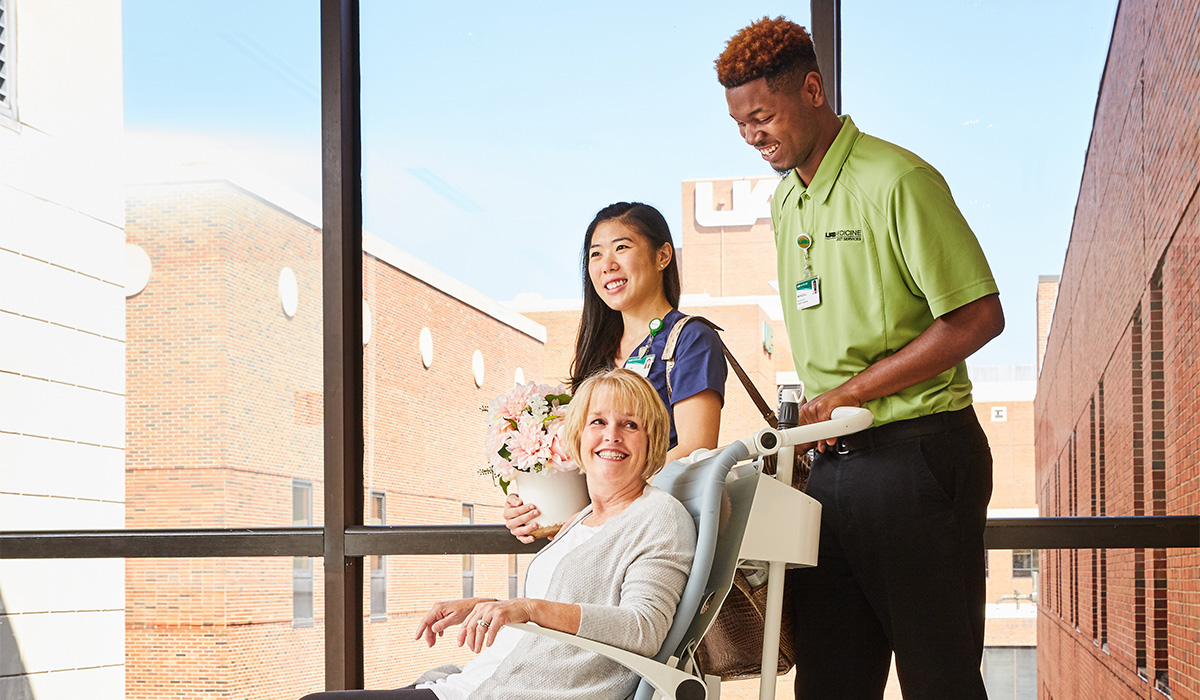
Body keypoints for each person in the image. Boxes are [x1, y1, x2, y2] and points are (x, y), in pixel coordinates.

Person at [717, 17, 1005, 700]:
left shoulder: (897, 179)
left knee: (940, 681)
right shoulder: (788, 201)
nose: (753, 135)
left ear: (812, 89)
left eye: (762, 115)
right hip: (833, 470)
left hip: (919, 459)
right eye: (739, 124)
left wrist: (852, 392)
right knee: (830, 682)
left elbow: (977, 316)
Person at [298, 368, 696, 700]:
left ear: (653, 440)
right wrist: (485, 607)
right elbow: (562, 606)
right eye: (599, 422)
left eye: (631, 424)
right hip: (478, 683)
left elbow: (643, 630)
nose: (612, 435)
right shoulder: (584, 518)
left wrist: (527, 608)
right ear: (578, 436)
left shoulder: (659, 517)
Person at [504, 202, 727, 542]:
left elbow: (696, 449)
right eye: (595, 254)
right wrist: (537, 507)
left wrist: (603, 507)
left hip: (657, 531)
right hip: (602, 533)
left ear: (662, 256)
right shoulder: (598, 353)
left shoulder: (690, 339)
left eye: (621, 247)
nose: (607, 265)